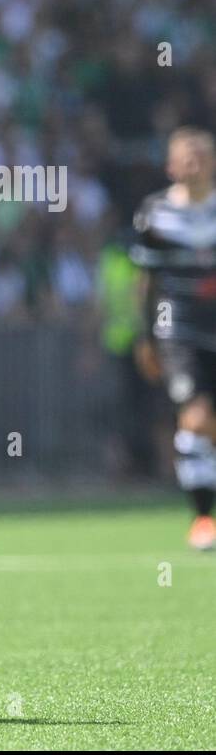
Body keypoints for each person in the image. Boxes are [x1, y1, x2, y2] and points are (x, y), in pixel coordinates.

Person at [131, 127, 216, 551]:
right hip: (179, 328)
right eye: (186, 155)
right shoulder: (155, 213)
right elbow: (146, 281)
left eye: (202, 154)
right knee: (196, 419)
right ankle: (203, 518)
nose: (194, 162)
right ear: (170, 164)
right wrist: (145, 337)